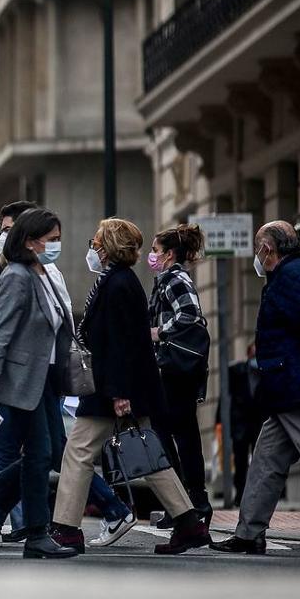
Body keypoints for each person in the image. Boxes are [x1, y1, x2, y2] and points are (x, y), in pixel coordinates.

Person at [49, 218, 211, 555]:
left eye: (96, 242)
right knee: (148, 455)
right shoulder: (117, 281)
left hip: (115, 388)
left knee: (78, 452)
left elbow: (124, 344)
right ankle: (189, 522)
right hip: (120, 386)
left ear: (108, 246)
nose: (91, 248)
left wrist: (120, 394)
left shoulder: (119, 284)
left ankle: (66, 529)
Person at [211, 221, 300, 556]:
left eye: (259, 248)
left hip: (299, 386)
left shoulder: (290, 278)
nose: (257, 256)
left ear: (268, 250)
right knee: (266, 461)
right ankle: (249, 532)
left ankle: (249, 532)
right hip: (290, 385)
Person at [0, 208, 78, 559]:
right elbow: (0, 333)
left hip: (42, 380)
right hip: (20, 382)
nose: (57, 245)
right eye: (51, 239)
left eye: (58, 239)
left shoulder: (43, 275)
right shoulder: (16, 276)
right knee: (43, 454)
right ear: (30, 240)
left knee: (43, 455)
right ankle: (31, 531)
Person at [147, 223, 213, 526]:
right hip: (171, 369)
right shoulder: (166, 278)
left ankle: (192, 503)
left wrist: (160, 332)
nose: (151, 256)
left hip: (176, 370)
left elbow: (191, 313)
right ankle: (187, 504)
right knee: (176, 434)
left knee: (179, 435)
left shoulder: (175, 278)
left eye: (155, 250)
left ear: (169, 254)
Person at [226, 343, 264, 507]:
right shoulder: (237, 371)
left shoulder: (265, 373)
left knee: (260, 460)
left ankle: (257, 496)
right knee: (240, 462)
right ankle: (239, 494)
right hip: (241, 424)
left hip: (259, 423)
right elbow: (225, 398)